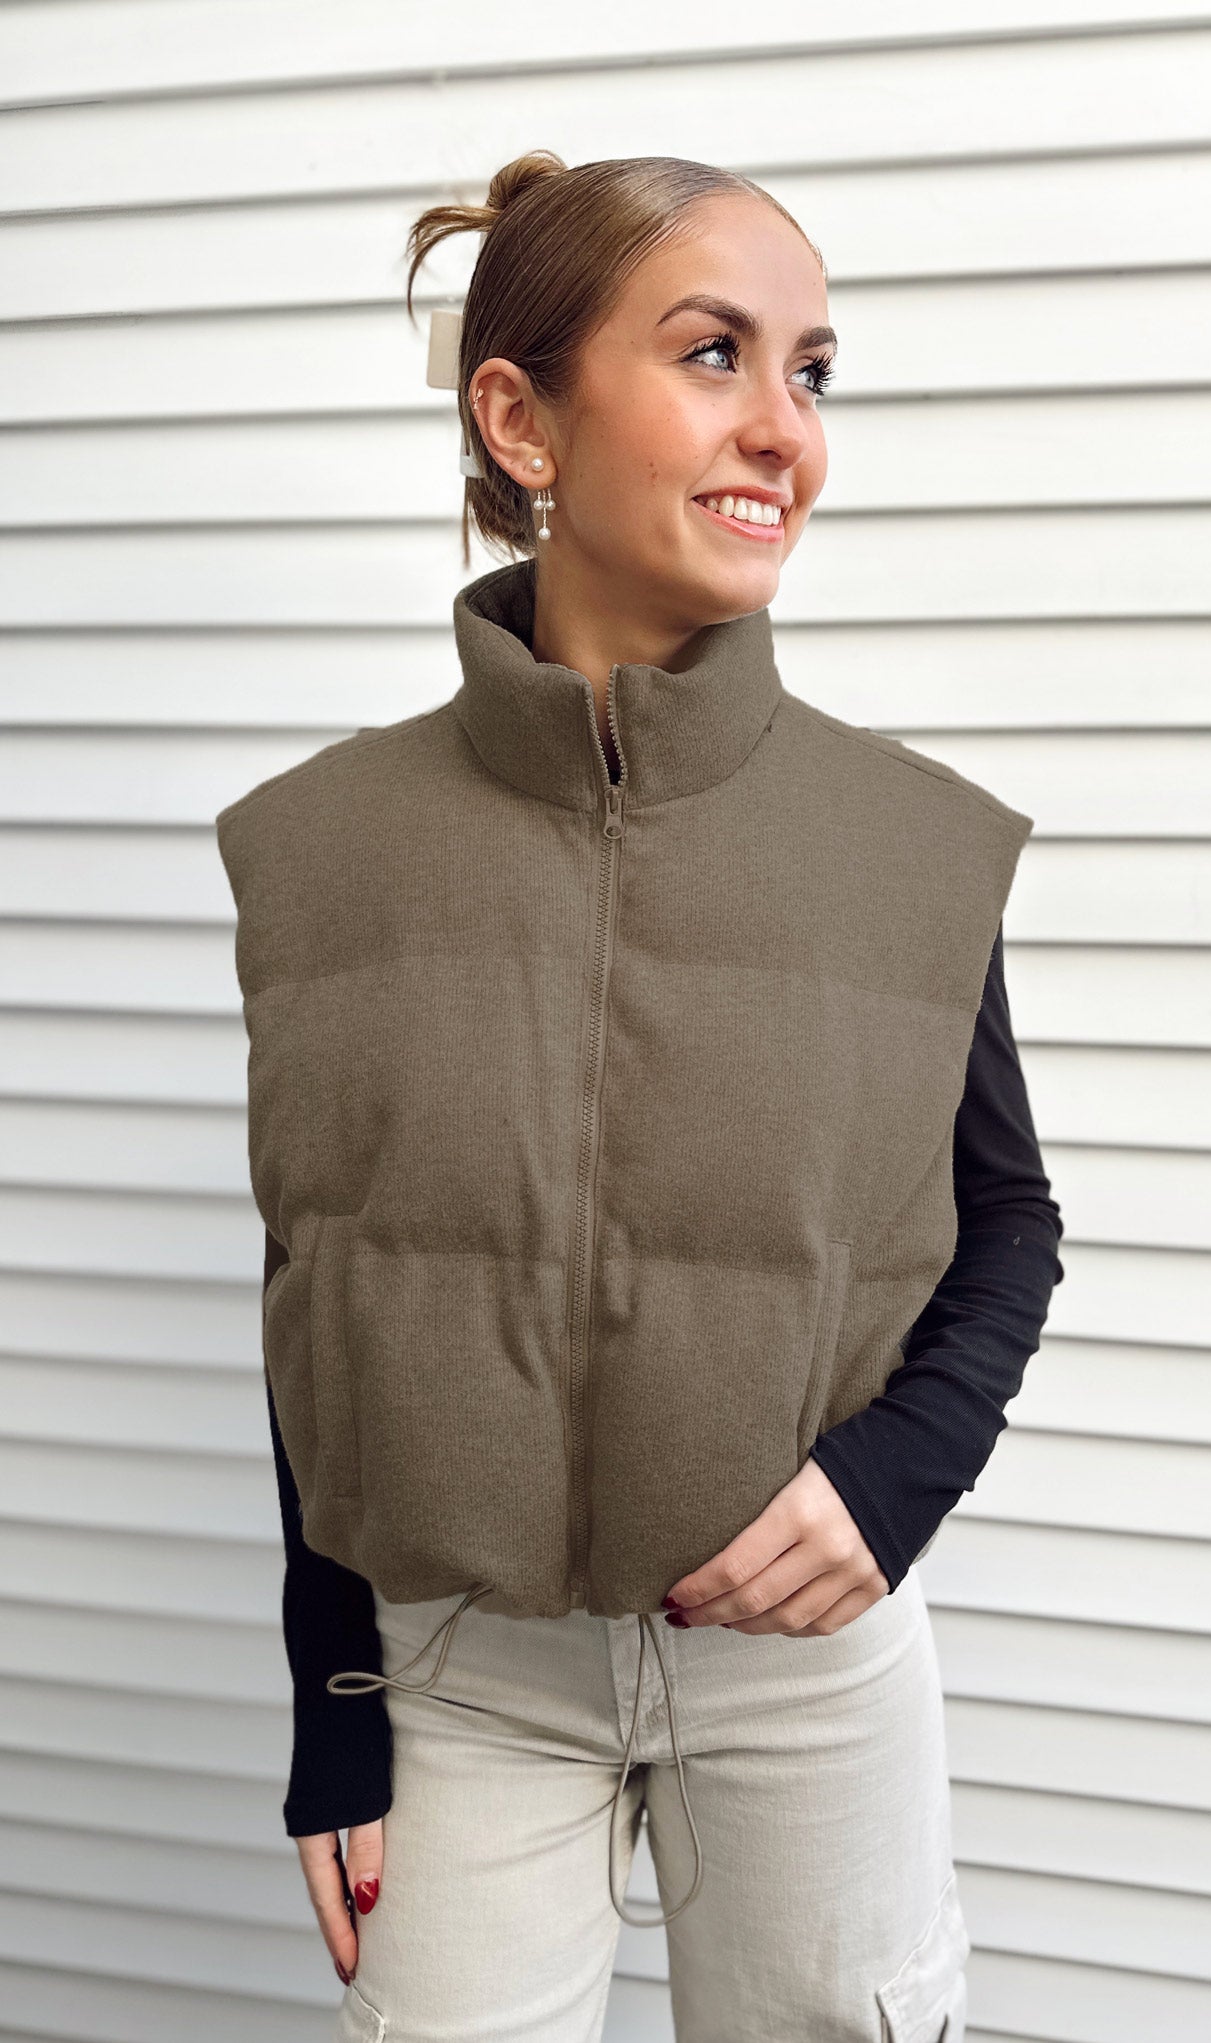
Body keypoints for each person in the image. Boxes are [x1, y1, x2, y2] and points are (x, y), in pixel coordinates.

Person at [220, 152, 1064, 2042]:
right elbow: (320, 1291)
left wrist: (893, 1484)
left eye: (812, 373)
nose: (787, 432)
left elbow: (1010, 1224)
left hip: (807, 1671)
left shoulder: (912, 849)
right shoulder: (319, 852)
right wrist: (331, 1705)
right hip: (457, 1677)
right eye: (712, 355)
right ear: (518, 418)